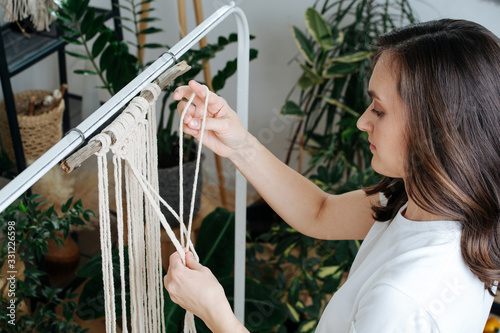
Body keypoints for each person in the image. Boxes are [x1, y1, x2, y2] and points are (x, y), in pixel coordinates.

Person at [164, 19, 500, 332]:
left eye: (379, 111)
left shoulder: (403, 300)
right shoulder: (430, 200)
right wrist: (238, 144)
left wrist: (214, 312)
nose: (362, 121)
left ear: (436, 129)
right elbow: (319, 212)